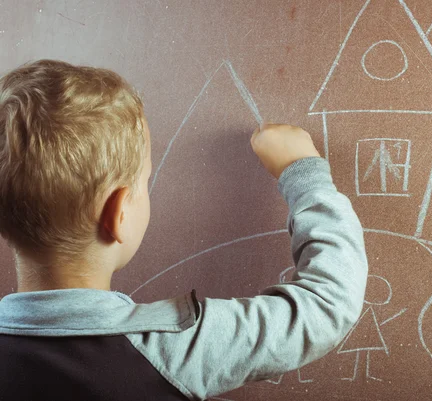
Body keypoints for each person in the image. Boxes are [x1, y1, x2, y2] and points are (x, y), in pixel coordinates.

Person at [0, 59, 369, 400]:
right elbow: (328, 303)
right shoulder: (175, 349)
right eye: (145, 181)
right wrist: (304, 174)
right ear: (118, 213)